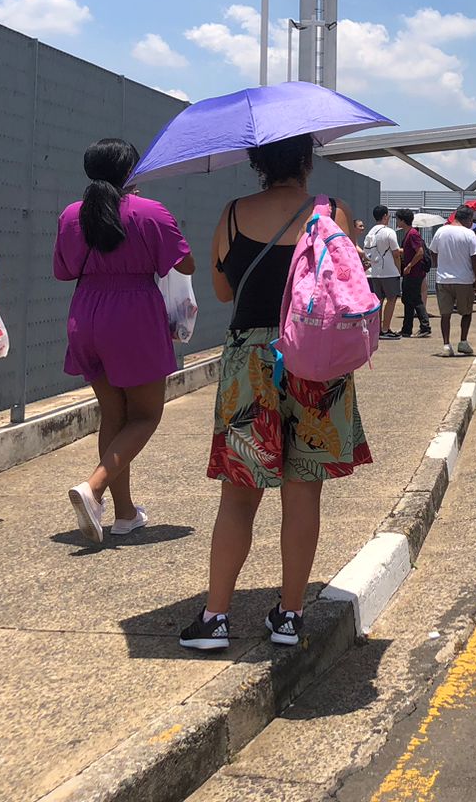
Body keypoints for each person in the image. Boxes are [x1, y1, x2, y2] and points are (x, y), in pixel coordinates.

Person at [182, 134, 370, 652]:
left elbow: (223, 291)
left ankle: (215, 618)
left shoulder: (233, 215)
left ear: (257, 163)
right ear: (308, 161)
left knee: (239, 496)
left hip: (251, 361)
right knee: (303, 490)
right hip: (316, 360)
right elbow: (351, 287)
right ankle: (289, 616)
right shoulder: (332, 211)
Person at [56, 138, 195, 544]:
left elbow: (64, 270)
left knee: (113, 415)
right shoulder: (150, 211)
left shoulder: (70, 215)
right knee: (146, 415)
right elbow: (184, 262)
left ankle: (125, 514)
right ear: (132, 172)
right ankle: (93, 488)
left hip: (86, 312)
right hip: (133, 312)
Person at [433, 204, 476, 356]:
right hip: (464, 279)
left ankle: (446, 345)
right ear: (468, 218)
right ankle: (463, 341)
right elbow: (474, 258)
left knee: (445, 314)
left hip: (443, 279)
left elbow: (433, 252)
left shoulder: (441, 231)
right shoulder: (469, 234)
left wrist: (439, 265)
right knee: (466, 312)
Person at [362, 205, 402, 340]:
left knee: (378, 300)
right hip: (389, 271)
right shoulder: (389, 232)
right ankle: (385, 329)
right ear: (385, 216)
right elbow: (396, 253)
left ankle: (377, 328)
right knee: (391, 299)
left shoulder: (370, 233)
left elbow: (366, 254)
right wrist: (399, 269)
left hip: (375, 272)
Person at [396, 210, 432, 338]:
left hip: (414, 272)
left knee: (415, 298)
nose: (396, 221)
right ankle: (407, 328)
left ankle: (425, 326)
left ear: (403, 220)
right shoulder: (409, 234)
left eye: (398, 219)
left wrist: (410, 265)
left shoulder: (413, 234)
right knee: (408, 299)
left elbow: (420, 252)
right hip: (410, 272)